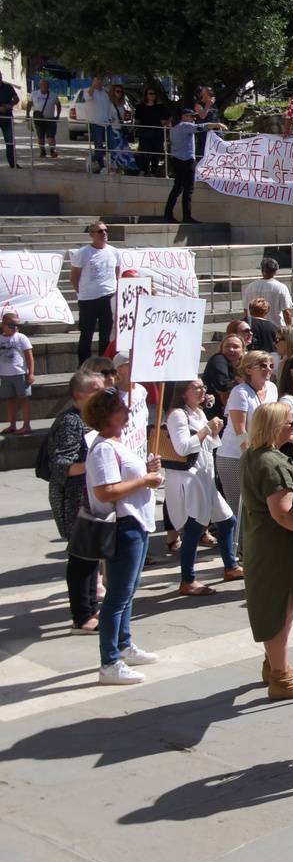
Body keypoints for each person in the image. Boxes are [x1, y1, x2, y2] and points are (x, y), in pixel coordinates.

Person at [240, 402, 293, 700]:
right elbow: (283, 513)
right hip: (276, 546)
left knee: (278, 607)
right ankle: (281, 679)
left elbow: (289, 483)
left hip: (267, 542)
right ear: (275, 427)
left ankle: (276, 663)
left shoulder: (258, 455)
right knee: (279, 610)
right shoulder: (270, 463)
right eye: (289, 423)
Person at [84, 389, 164, 685]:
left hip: (136, 522)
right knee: (117, 595)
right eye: (120, 408)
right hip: (123, 524)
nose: (127, 412)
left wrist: (147, 471)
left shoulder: (116, 443)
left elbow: (127, 477)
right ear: (107, 414)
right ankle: (109, 662)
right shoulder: (104, 447)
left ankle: (123, 644)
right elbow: (105, 491)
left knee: (127, 592)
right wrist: (145, 479)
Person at [161, 378, 239, 596]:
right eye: (197, 387)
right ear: (184, 392)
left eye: (204, 386)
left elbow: (210, 444)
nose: (203, 390)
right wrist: (207, 429)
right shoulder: (178, 415)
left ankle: (230, 567)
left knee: (227, 520)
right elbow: (183, 447)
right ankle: (188, 580)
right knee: (194, 529)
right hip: (190, 479)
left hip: (205, 478)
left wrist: (214, 431)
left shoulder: (198, 412)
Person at [50, 371, 106, 631]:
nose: (103, 394)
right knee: (81, 556)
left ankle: (91, 607)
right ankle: (82, 615)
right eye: (96, 389)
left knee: (91, 555)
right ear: (79, 395)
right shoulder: (70, 422)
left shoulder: (91, 419)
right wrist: (93, 464)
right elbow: (61, 464)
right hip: (75, 498)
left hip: (91, 495)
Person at [216, 350, 277, 521]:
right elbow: (240, 430)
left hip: (261, 455)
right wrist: (250, 457)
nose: (268, 369)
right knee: (241, 509)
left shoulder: (272, 388)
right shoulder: (240, 392)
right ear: (249, 369)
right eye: (262, 366)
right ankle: (241, 547)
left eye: (270, 366)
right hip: (235, 457)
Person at [69, 220, 120, 363]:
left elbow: (117, 274)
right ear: (91, 234)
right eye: (99, 231)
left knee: (106, 334)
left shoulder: (114, 252)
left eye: (105, 230)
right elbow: (74, 276)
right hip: (88, 299)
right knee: (86, 334)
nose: (104, 233)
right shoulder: (83, 253)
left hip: (109, 297)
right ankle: (83, 365)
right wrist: (81, 292)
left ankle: (104, 366)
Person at [163, 100, 203, 223]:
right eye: (192, 117)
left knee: (177, 188)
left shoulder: (174, 129)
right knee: (188, 189)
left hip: (176, 160)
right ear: (185, 117)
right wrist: (216, 124)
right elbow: (201, 127)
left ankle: (168, 214)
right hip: (187, 161)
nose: (194, 119)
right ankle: (187, 216)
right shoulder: (186, 126)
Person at [0, 310, 32, 434]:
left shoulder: (21, 337)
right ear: (4, 325)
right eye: (12, 325)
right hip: (5, 375)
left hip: (20, 374)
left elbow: (29, 356)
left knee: (24, 399)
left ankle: (26, 425)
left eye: (18, 326)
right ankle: (12, 424)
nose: (15, 328)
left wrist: (31, 373)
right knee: (10, 400)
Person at [244, 258, 293, 329]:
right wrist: (290, 329)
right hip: (275, 328)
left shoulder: (250, 287)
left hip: (254, 327)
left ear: (262, 270)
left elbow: (246, 310)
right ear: (275, 271)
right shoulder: (281, 287)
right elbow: (286, 311)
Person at [29, 76, 61, 159]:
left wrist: (58, 115)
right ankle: (42, 151)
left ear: (48, 86)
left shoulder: (53, 95)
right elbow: (29, 104)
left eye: (46, 85)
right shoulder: (34, 94)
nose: (44, 87)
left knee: (51, 137)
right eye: (43, 85)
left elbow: (58, 105)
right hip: (39, 119)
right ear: (40, 86)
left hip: (50, 119)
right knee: (40, 137)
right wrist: (27, 114)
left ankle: (52, 151)